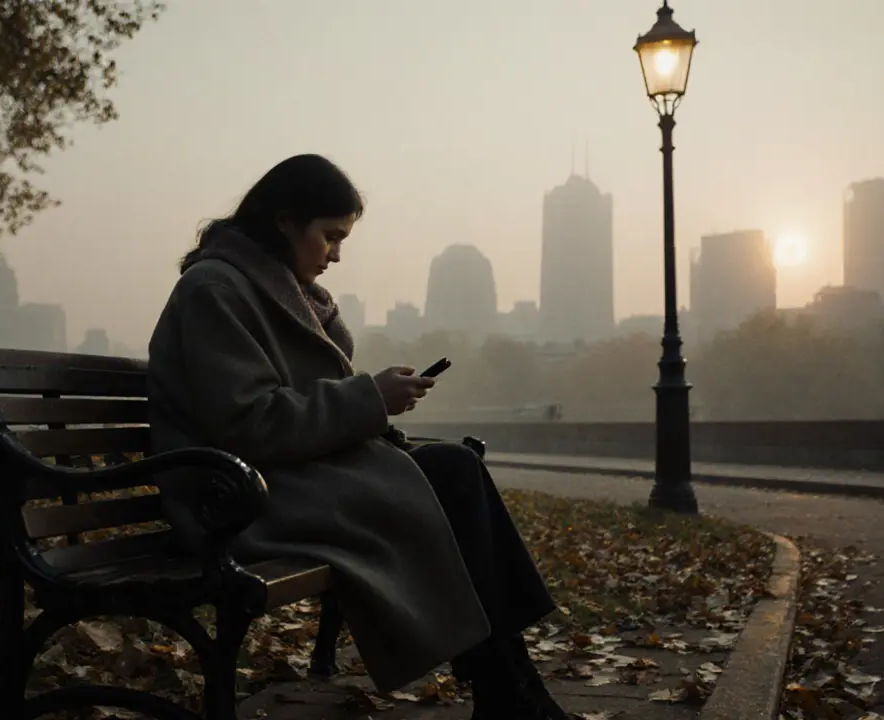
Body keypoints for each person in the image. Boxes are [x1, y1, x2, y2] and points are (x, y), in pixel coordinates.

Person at [147, 154, 569, 719]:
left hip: (286, 480)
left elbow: (286, 411)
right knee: (449, 474)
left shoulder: (278, 292)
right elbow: (247, 423)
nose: (337, 254)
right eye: (330, 236)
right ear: (284, 221)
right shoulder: (214, 289)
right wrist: (370, 399)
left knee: (454, 468)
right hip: (236, 499)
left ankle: (507, 686)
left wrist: (372, 404)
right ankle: (507, 690)